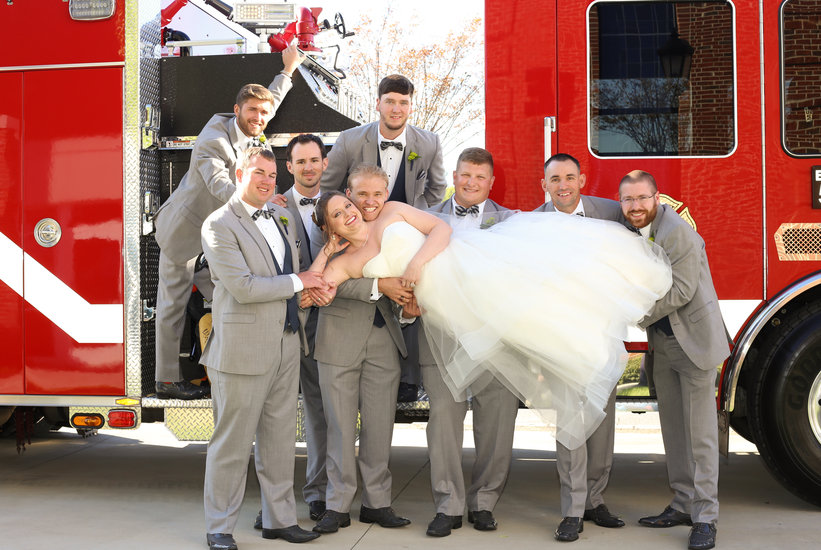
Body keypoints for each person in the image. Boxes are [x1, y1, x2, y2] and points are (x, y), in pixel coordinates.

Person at [310, 164, 672, 455]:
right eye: (339, 215)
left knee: (534, 304)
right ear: (330, 227)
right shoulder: (347, 263)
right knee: (468, 383)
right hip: (442, 308)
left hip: (465, 267)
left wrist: (416, 266)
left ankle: (590, 342)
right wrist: (328, 251)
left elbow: (439, 229)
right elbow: (314, 290)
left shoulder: (391, 212)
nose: (353, 212)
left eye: (350, 206)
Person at [153, 45, 305, 400]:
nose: (259, 117)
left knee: (232, 298)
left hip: (217, 237)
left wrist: (288, 70)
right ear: (236, 110)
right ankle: (166, 379)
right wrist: (260, 198)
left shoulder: (254, 124)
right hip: (185, 233)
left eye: (263, 113)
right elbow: (220, 185)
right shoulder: (212, 141)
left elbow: (270, 103)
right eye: (252, 110)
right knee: (172, 305)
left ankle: (231, 369)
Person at [200, 148, 325, 549]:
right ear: (239, 174)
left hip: (287, 345)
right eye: (258, 173)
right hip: (241, 351)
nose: (267, 181)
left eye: (272, 174)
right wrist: (301, 282)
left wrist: (305, 291)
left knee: (279, 441)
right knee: (232, 445)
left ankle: (279, 520)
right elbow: (244, 287)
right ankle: (219, 527)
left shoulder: (281, 217)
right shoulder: (219, 224)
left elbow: (287, 273)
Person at [319, 74, 448, 401]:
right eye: (390, 101)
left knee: (415, 299)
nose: (396, 108)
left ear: (410, 106)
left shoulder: (429, 143)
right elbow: (329, 188)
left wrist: (412, 226)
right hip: (360, 237)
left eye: (403, 103)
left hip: (404, 230)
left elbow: (435, 190)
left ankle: (410, 378)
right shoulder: (349, 141)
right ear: (378, 104)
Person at [619, 170, 728, 550]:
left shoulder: (675, 230)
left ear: (656, 198)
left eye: (642, 199)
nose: (635, 206)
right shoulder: (631, 228)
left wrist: (632, 314)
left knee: (700, 436)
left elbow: (682, 290)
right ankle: (683, 503)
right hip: (663, 345)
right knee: (674, 431)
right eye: (628, 200)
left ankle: (706, 518)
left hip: (694, 341)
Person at [416, 148, 519, 537]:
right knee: (443, 422)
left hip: (495, 338)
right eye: (466, 175)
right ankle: (448, 504)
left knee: (496, 424)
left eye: (480, 177)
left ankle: (484, 501)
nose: (472, 183)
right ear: (455, 176)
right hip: (440, 336)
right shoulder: (426, 220)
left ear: (491, 182)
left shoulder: (510, 222)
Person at [308, 166, 416, 535]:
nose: (360, 207)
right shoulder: (326, 232)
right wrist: (378, 285)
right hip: (338, 339)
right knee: (338, 427)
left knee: (379, 426)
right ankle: (337, 505)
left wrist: (405, 302)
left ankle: (377, 503)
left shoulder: (388, 223)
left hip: (385, 338)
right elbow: (319, 285)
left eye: (375, 195)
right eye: (353, 200)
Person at [536, 154, 626, 542]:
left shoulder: (610, 213)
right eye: (555, 179)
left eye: (569, 177)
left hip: (604, 334)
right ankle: (572, 510)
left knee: (602, 420)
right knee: (572, 423)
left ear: (582, 179)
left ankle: (595, 499)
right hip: (561, 336)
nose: (563, 185)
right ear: (545, 185)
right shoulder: (531, 224)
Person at [282, 134, 329, 522]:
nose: (309, 167)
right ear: (290, 167)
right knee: (276, 416)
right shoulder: (273, 206)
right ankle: (275, 500)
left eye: (315, 160)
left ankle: (318, 493)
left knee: (319, 413)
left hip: (328, 326)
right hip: (284, 324)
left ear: (324, 164)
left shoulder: (340, 207)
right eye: (301, 162)